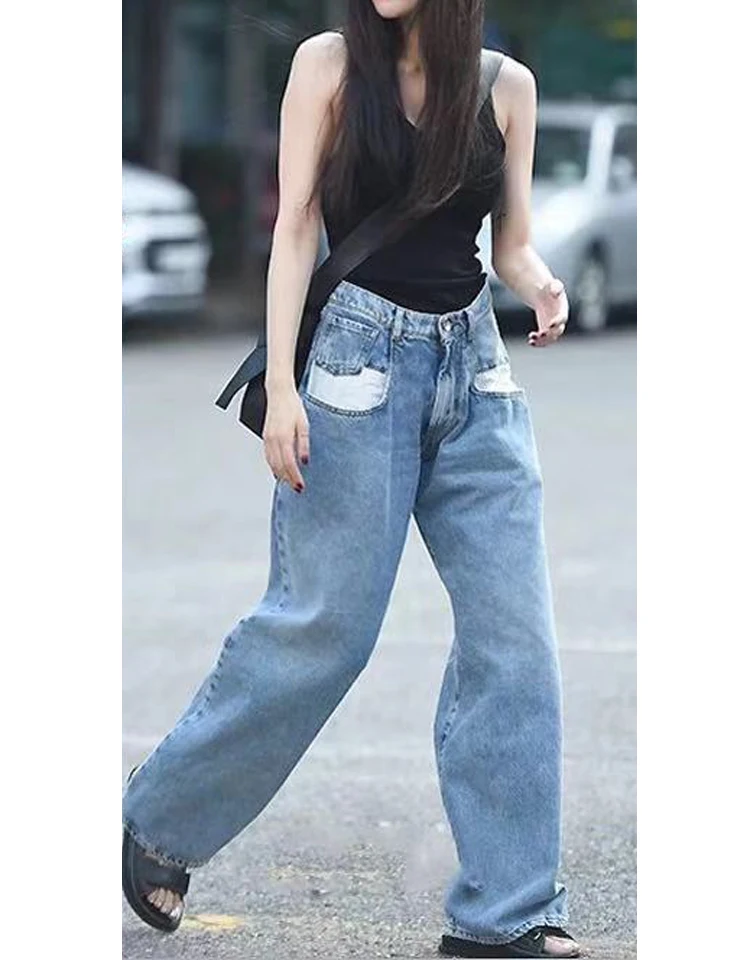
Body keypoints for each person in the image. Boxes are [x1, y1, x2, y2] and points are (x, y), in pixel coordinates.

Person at [122, 2, 580, 957]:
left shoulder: (507, 88)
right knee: (325, 628)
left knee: (517, 641)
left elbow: (510, 243)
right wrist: (283, 390)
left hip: (477, 376)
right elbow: (296, 227)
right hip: (354, 370)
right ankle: (161, 819)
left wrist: (538, 283)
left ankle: (504, 917)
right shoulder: (328, 67)